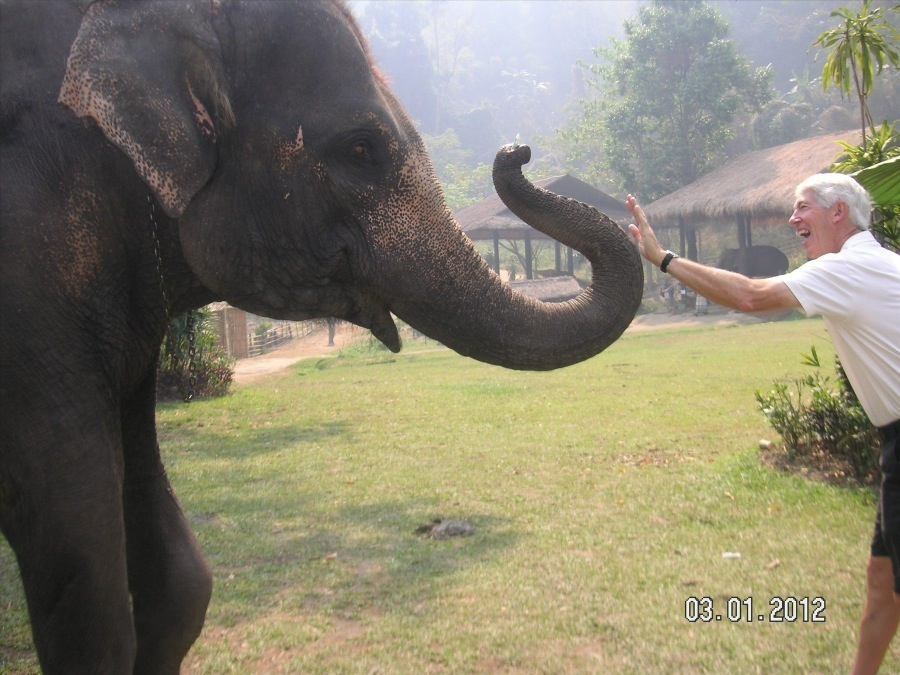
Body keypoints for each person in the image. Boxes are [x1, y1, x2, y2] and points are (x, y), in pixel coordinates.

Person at [626, 173, 900, 675]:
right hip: (894, 445)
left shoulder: (851, 267)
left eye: (803, 208)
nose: (792, 218)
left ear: (838, 212)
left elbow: (750, 296)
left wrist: (662, 258)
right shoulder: (874, 264)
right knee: (882, 580)